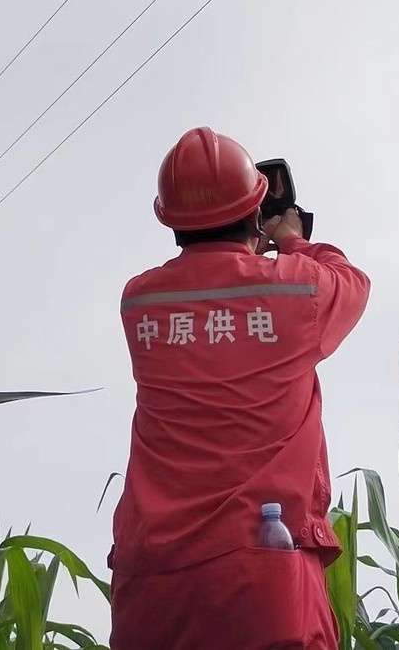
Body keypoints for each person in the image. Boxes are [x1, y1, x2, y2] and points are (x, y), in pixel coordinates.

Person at [109, 126, 370, 650]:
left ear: (172, 222)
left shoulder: (137, 302)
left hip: (153, 586)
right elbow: (351, 281)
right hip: (265, 575)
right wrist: (292, 236)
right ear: (255, 214)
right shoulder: (299, 290)